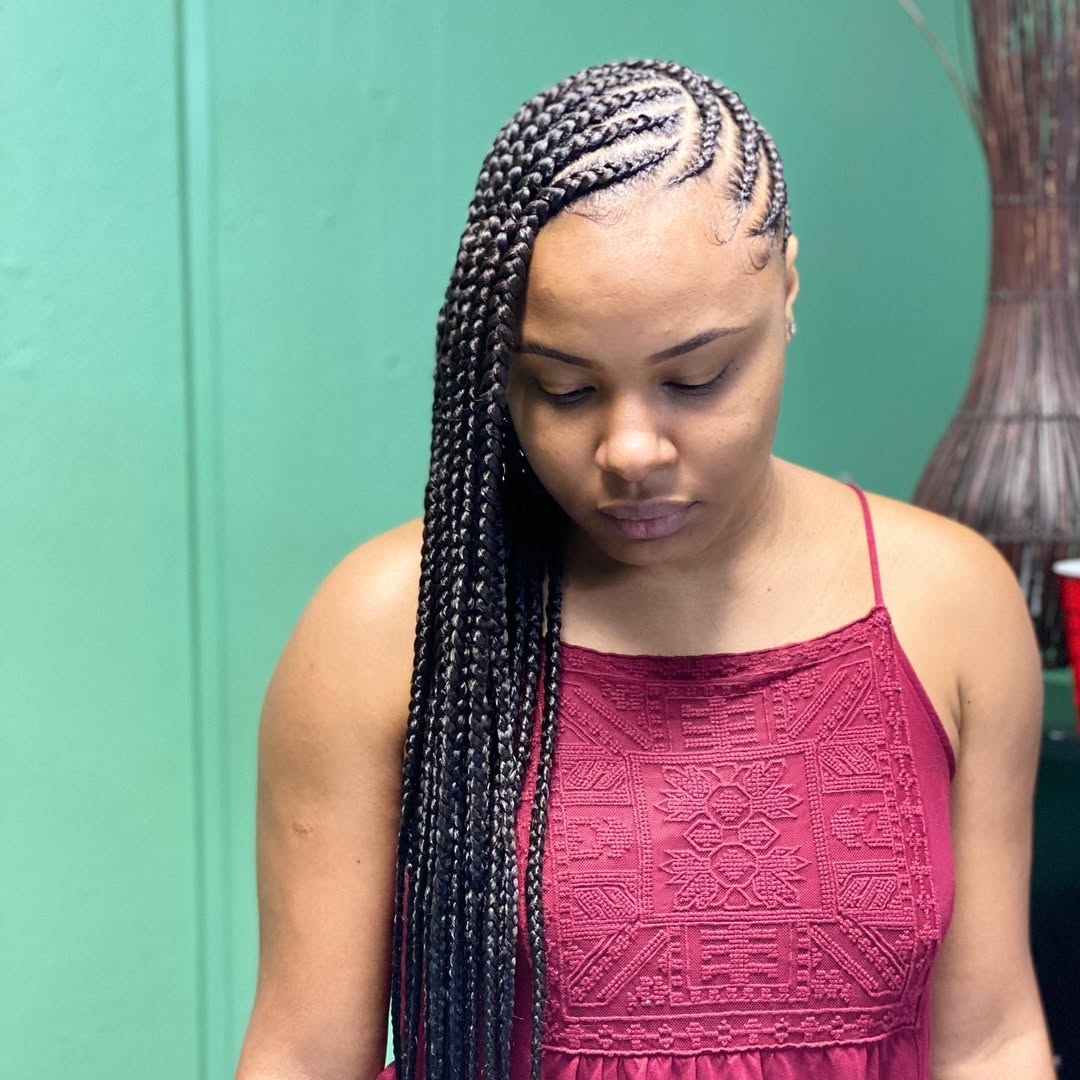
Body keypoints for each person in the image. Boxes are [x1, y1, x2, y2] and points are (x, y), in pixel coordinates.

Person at [234, 59, 1056, 1080]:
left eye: (696, 377)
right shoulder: (387, 630)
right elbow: (308, 1058)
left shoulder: (949, 605)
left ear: (788, 290)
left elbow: (990, 1040)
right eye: (567, 390)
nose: (630, 450)